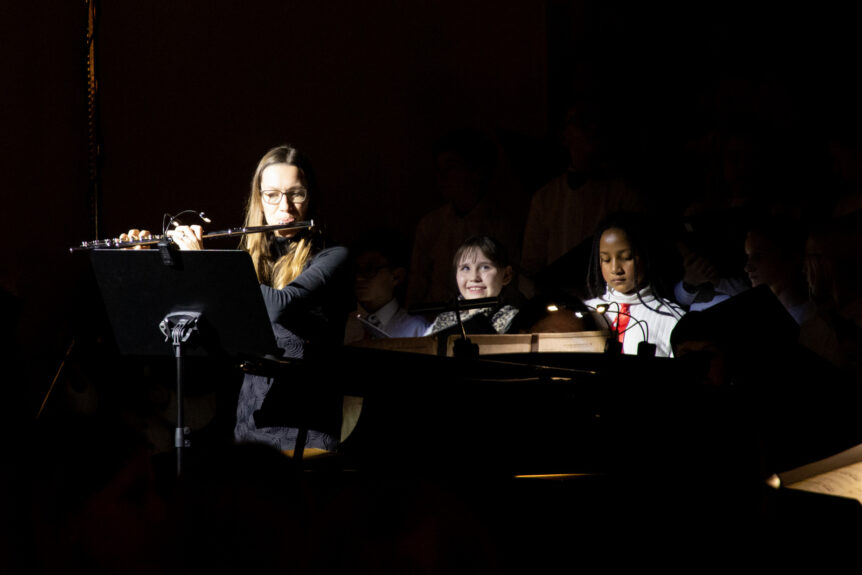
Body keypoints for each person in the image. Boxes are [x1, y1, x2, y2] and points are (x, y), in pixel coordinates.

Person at [127, 144, 350, 454]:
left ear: (310, 197)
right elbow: (206, 332)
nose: (285, 207)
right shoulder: (248, 260)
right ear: (259, 199)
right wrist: (144, 265)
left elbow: (279, 306)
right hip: (249, 426)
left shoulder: (333, 257)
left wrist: (205, 265)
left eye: (296, 194)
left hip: (304, 428)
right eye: (272, 195)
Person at [583, 212, 683, 357]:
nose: (615, 269)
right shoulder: (586, 312)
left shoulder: (672, 318)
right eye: (606, 259)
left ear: (646, 256)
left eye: (627, 257)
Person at [343, 228, 428, 344]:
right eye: (356, 269)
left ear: (396, 276)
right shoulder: (345, 322)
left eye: (370, 269)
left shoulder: (416, 329)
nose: (359, 278)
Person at [425, 235, 519, 337]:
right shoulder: (443, 320)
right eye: (465, 268)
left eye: (485, 267)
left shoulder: (514, 321)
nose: (474, 277)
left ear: (506, 275)